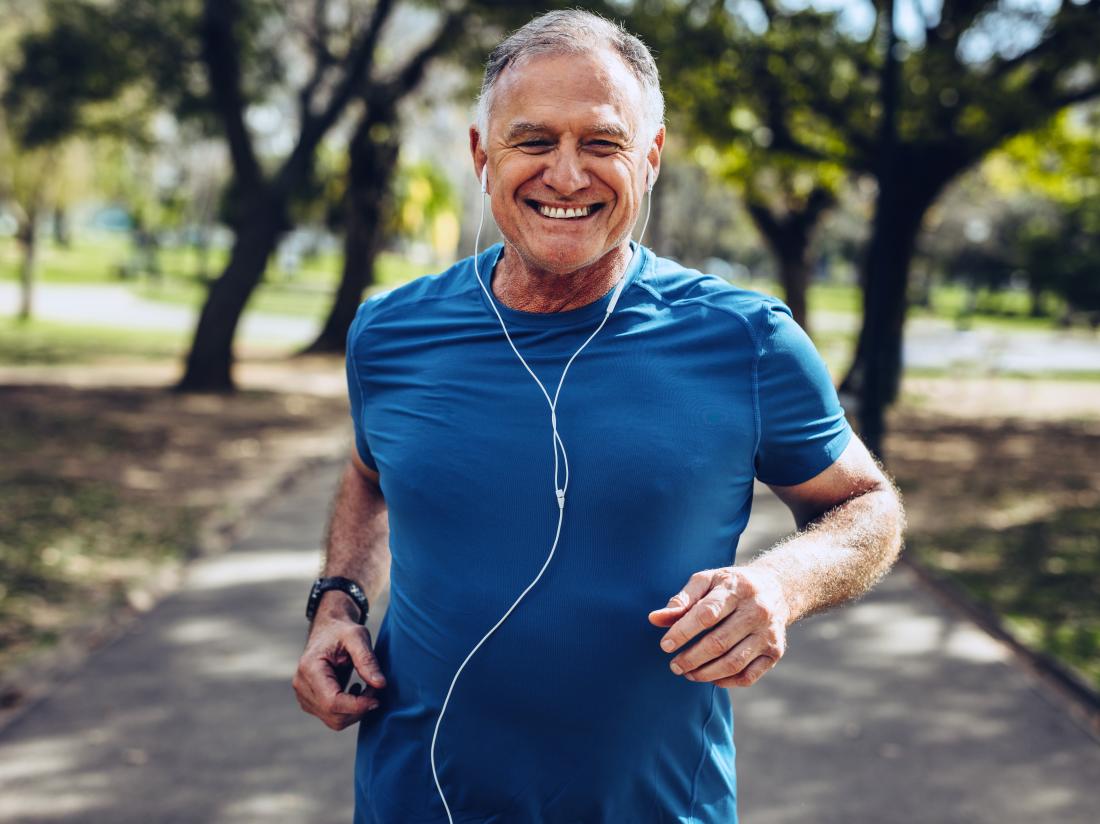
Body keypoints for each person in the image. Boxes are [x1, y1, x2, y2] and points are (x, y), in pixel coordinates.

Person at [293, 10, 904, 823]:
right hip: (413, 797)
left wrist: (779, 584)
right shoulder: (390, 332)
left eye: (603, 143)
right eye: (534, 141)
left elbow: (868, 506)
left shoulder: (748, 340)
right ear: (483, 155)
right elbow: (371, 474)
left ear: (649, 160)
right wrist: (338, 603)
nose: (568, 175)